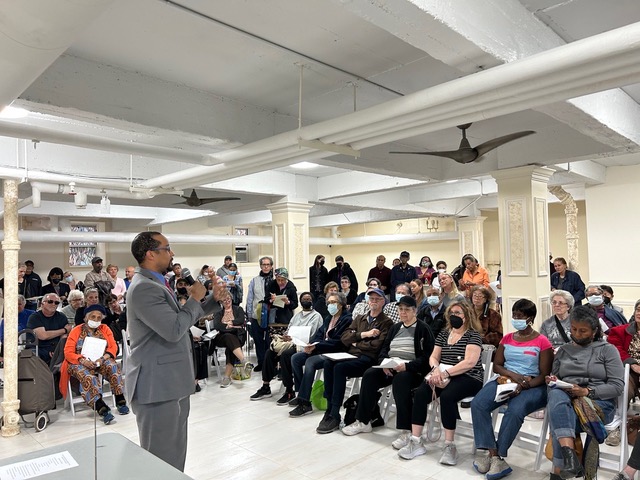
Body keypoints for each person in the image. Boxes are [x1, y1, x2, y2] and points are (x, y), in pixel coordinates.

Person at [125, 231, 207, 472]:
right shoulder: (143, 288)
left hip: (170, 382)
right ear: (151, 254)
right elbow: (173, 329)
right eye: (167, 248)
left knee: (174, 455)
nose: (172, 253)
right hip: (156, 386)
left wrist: (213, 300)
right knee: (160, 462)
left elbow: (181, 319)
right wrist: (194, 299)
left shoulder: (157, 283)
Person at [471, 299, 553, 479]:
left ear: (530, 318)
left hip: (533, 385)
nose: (516, 319)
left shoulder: (542, 341)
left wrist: (524, 385)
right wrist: (514, 379)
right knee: (478, 404)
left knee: (515, 411)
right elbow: (497, 365)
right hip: (506, 380)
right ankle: (492, 453)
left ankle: (498, 456)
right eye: (514, 315)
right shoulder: (507, 338)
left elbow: (544, 374)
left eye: (520, 316)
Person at [397, 301, 484, 465]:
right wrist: (436, 370)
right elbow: (433, 357)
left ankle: (449, 445)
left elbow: (469, 363)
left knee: (447, 396)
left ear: (466, 316)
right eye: (451, 313)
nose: (454, 316)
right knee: (421, 393)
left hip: (469, 377)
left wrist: (445, 373)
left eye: (458, 313)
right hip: (442, 374)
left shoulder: (473, 335)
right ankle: (416, 441)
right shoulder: (444, 334)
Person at [545, 305, 624, 480]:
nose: (577, 334)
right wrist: (552, 381)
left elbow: (617, 386)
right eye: (573, 329)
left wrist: (587, 391)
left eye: (583, 331)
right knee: (556, 395)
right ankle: (570, 456)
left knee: (559, 418)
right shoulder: (564, 350)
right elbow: (555, 377)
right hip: (566, 399)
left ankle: (559, 471)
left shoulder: (607, 350)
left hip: (598, 403)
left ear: (594, 330)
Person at [342, 295, 435, 438]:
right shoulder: (395, 328)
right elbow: (384, 349)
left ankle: (406, 430)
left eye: (407, 310)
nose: (403, 312)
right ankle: (363, 421)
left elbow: (427, 356)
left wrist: (408, 366)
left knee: (401, 380)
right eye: (401, 309)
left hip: (411, 370)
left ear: (415, 311)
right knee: (370, 374)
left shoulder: (423, 328)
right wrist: (383, 363)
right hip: (391, 366)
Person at [316, 287, 393, 434]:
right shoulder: (360, 318)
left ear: (383, 301)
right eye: (371, 299)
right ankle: (330, 409)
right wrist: (364, 335)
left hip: (368, 359)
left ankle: (335, 412)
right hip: (352, 355)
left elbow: (376, 347)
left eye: (377, 299)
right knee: (328, 363)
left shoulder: (386, 322)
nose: (374, 302)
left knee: (339, 368)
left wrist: (356, 342)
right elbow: (345, 338)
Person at [59, 304, 129, 424]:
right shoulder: (76, 330)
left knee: (112, 366)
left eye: (98, 317)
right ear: (86, 318)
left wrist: (102, 359)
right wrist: (82, 360)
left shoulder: (105, 328)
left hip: (100, 359)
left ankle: (120, 399)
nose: (96, 320)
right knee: (88, 377)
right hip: (78, 361)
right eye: (93, 317)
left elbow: (113, 347)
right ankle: (101, 407)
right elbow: (68, 352)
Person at [250, 292, 323, 404]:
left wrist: (294, 337)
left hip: (304, 345)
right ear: (300, 301)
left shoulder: (316, 316)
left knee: (286, 355)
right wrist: (286, 335)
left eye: (308, 299)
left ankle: (289, 390)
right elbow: (289, 329)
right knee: (269, 353)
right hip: (290, 342)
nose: (306, 300)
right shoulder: (296, 316)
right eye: (304, 299)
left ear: (312, 301)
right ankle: (266, 386)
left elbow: (311, 334)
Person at [289, 291, 352, 417]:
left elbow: (338, 342)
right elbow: (319, 334)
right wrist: (310, 345)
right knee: (295, 358)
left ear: (341, 304)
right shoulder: (329, 318)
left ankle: (305, 403)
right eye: (329, 303)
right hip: (322, 349)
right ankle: (302, 393)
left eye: (333, 302)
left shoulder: (347, 319)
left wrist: (316, 346)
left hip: (336, 352)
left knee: (310, 362)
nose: (330, 305)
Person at [212, 293, 252, 388]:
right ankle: (243, 360)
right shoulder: (218, 312)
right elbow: (217, 325)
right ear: (221, 302)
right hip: (222, 337)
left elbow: (241, 320)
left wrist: (229, 323)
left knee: (231, 344)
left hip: (237, 336)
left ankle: (227, 377)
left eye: (228, 298)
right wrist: (230, 327)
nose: (227, 301)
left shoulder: (238, 309)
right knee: (229, 337)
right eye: (224, 300)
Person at [608, 298, 640, 405]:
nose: (639, 313)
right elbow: (615, 349)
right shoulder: (618, 331)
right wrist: (632, 364)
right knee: (624, 388)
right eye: (638, 310)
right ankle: (620, 418)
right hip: (627, 369)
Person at [246, 256, 274, 372]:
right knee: (258, 340)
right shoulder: (254, 280)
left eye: (268, 264)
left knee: (269, 340)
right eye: (264, 264)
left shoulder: (275, 280)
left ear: (271, 266)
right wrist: (249, 313)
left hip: (271, 313)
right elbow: (250, 298)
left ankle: (269, 363)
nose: (266, 267)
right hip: (257, 314)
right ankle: (261, 362)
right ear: (260, 266)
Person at [26, 293, 70, 365]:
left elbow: (64, 337)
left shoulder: (61, 316)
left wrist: (58, 350)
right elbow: (43, 336)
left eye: (56, 303)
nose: (53, 304)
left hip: (55, 348)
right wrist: (64, 330)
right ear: (42, 303)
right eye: (50, 301)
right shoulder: (35, 317)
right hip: (37, 348)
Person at [0, 295, 35, 363]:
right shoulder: (6, 319)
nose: (17, 306)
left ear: (24, 304)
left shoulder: (32, 314)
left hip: (29, 344)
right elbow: (2, 337)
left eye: (19, 304)